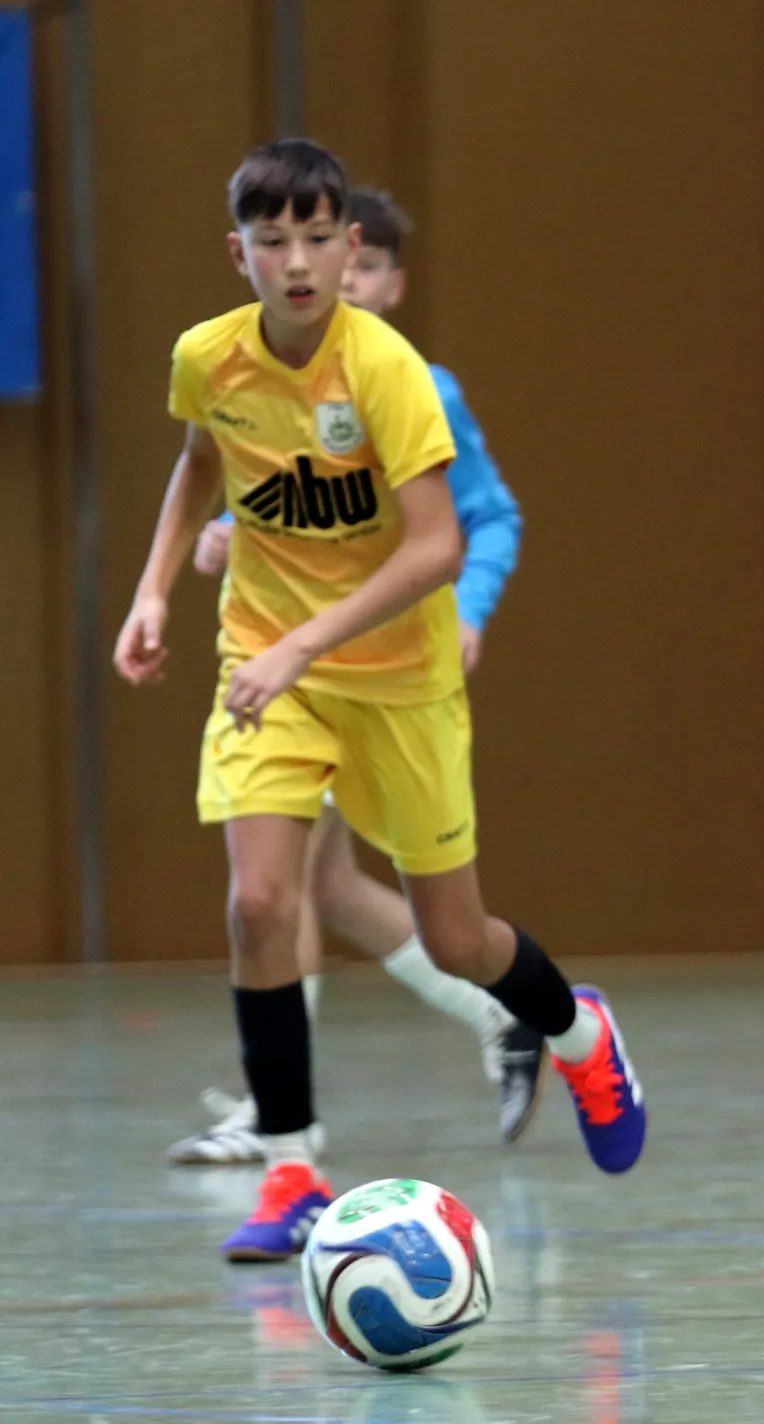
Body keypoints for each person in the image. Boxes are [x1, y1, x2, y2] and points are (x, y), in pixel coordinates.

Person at [114, 139, 647, 1262]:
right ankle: (292, 1169)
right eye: (273, 242)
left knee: (457, 938)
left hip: (396, 681)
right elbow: (201, 461)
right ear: (240, 255)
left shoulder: (391, 374)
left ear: (350, 244)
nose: (298, 262)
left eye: (319, 239)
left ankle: (576, 1031)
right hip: (267, 665)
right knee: (262, 901)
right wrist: (153, 590)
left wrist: (308, 643)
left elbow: (440, 543)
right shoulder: (208, 357)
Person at [167, 186, 541, 1165]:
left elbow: (482, 519)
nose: (317, 271)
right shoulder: (258, 372)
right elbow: (280, 491)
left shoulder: (412, 386)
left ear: (383, 275)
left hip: (385, 667)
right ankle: (458, 1030)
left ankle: (288, 1109)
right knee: (306, 883)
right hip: (297, 669)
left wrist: (469, 609)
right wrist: (217, 533)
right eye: (278, 246)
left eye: (352, 260)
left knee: (308, 884)